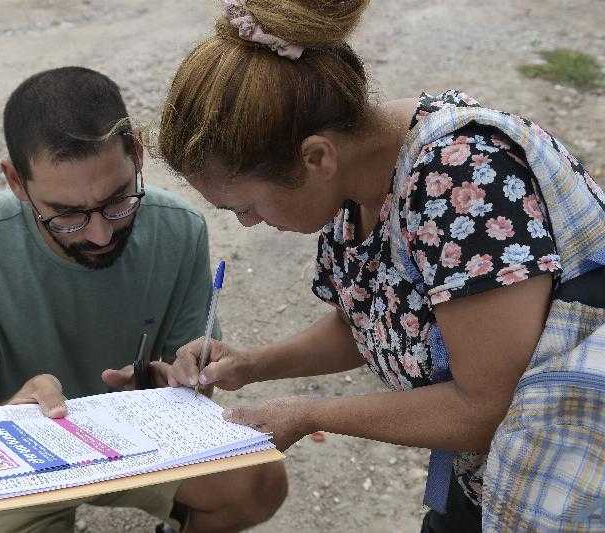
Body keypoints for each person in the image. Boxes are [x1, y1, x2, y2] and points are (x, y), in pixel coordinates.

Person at [156, 1, 605, 531]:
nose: (250, 224)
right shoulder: (356, 171)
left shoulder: (460, 180)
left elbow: (483, 408)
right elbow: (378, 320)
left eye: (246, 207)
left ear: (316, 158)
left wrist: (309, 412)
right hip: (498, 476)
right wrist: (254, 364)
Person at [0, 66, 287, 533]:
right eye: (66, 215)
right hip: (22, 460)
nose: (101, 232)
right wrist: (16, 416)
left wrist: (175, 386)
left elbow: (194, 378)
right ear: (15, 182)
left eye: (118, 200)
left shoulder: (179, 229)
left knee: (258, 485)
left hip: (133, 439)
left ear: (138, 156)